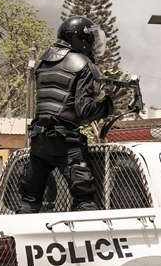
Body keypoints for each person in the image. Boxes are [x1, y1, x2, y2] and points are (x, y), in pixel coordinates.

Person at [17, 16, 127, 214]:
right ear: (79, 39)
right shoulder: (83, 65)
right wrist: (110, 102)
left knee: (29, 202)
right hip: (66, 142)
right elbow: (84, 111)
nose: (92, 44)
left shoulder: (44, 63)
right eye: (90, 39)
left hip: (39, 139)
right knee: (84, 201)